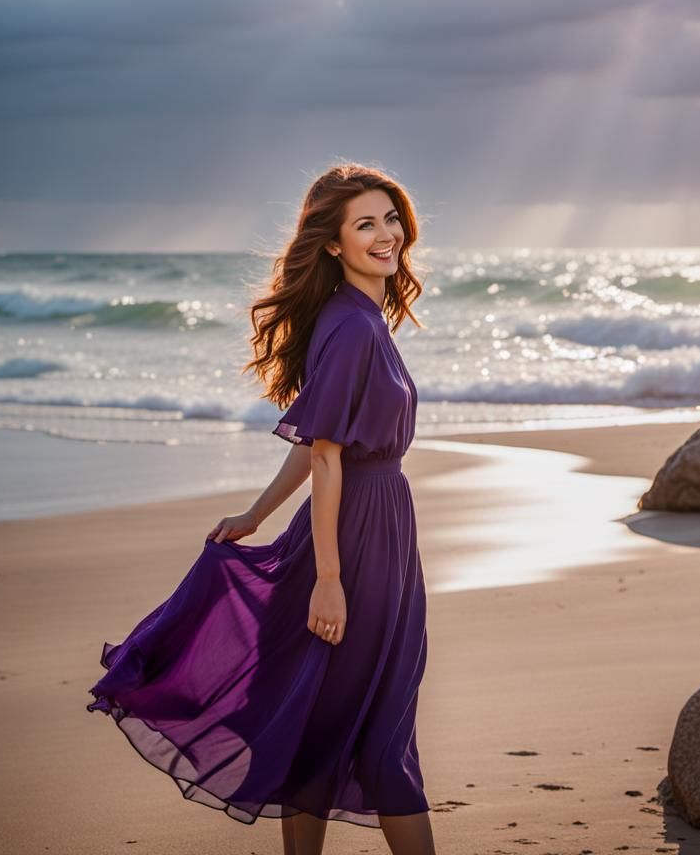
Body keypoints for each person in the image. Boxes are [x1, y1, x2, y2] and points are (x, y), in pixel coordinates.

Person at [86, 163, 437, 855]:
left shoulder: (363, 318)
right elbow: (330, 454)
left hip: (380, 530)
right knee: (378, 732)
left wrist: (255, 514)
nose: (386, 234)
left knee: (324, 724)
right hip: (357, 542)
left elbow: (315, 446)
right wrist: (330, 578)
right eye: (364, 223)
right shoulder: (351, 327)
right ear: (332, 244)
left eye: (390, 218)